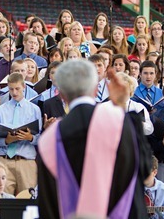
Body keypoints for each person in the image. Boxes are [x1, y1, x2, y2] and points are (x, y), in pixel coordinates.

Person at [37, 59, 152, 218]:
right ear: (96, 88)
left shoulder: (48, 139)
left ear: (61, 94)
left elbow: (47, 202)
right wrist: (120, 108)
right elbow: (144, 169)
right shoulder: (119, 120)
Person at [0, 73, 42, 195]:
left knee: (28, 199)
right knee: (2, 200)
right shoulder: (1, 110)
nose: (14, 92)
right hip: (5, 160)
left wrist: (30, 138)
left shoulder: (34, 109)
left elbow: (41, 138)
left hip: (26, 161)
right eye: (11, 89)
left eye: (17, 88)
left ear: (24, 87)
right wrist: (6, 141)